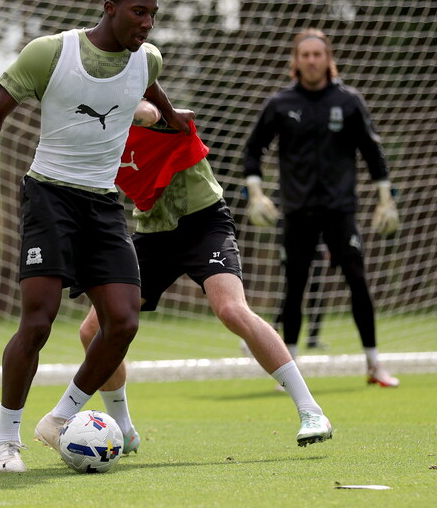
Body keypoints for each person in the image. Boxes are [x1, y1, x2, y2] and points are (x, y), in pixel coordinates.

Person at [0, 0, 192, 473]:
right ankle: (6, 443)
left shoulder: (148, 58)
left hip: (103, 204)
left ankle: (60, 417)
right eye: (138, 12)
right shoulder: (50, 52)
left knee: (123, 321)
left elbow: (149, 87)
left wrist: (171, 118)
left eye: (153, 14)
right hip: (49, 197)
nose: (147, 23)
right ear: (109, 8)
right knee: (38, 322)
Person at [75, 99, 333, 453]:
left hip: (204, 224)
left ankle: (311, 411)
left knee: (231, 310)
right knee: (92, 329)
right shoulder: (91, 139)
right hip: (153, 234)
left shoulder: (156, 113)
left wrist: (116, 104)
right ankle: (123, 428)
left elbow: (150, 113)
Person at [242, 27, 401, 388]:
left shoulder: (349, 101)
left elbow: (372, 151)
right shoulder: (280, 104)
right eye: (305, 55)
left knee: (357, 281)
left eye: (318, 54)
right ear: (295, 61)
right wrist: (256, 193)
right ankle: (289, 371)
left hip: (340, 210)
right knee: (294, 286)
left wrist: (385, 197)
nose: (312, 60)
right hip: (296, 211)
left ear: (329, 59)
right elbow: (253, 150)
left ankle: (374, 365)